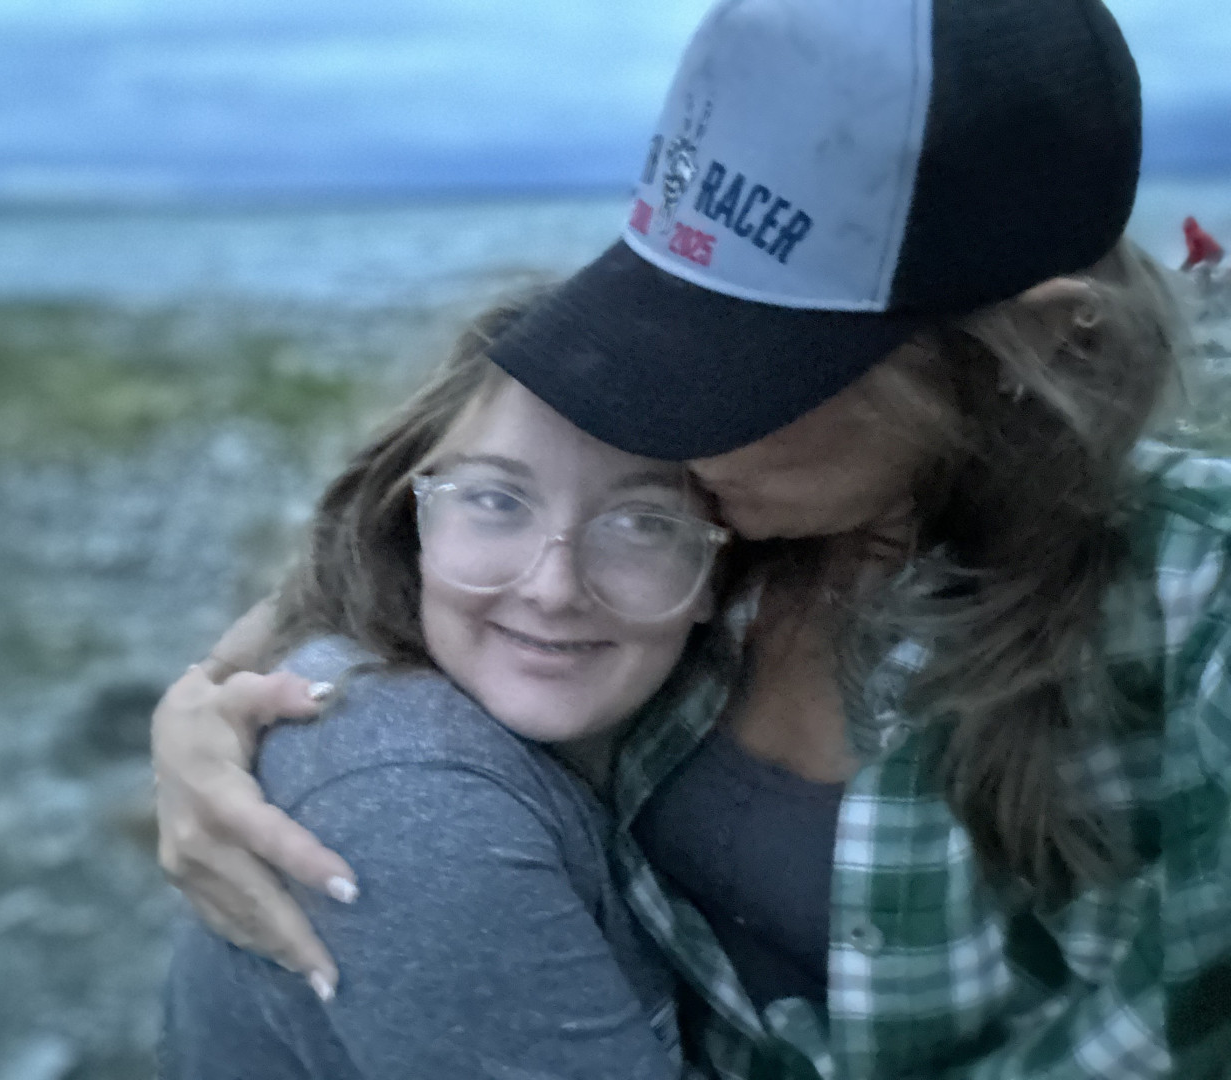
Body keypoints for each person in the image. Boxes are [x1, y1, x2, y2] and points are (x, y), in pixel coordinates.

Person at [152, 0, 1231, 1076]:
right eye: (679, 322)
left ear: (1036, 337)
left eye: (763, 363)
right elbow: (392, 565)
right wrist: (203, 717)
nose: (678, 420)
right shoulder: (735, 511)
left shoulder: (1198, 609)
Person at [160, 294, 746, 1080]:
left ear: (716, 571)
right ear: (413, 527)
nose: (554, 588)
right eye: (497, 501)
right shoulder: (409, 785)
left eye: (643, 522)